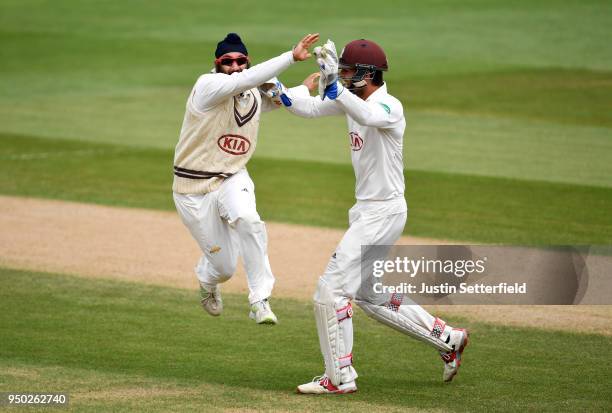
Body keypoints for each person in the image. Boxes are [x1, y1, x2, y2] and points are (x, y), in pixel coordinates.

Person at [275, 39, 469, 393]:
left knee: (330, 292)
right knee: (370, 294)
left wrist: (335, 86)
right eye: (342, 70)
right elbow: (309, 109)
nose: (344, 76)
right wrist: (278, 90)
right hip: (368, 211)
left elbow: (367, 115)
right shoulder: (351, 101)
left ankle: (340, 377)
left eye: (349, 71)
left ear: (366, 75)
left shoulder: (388, 106)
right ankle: (449, 339)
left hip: (383, 211)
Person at [172, 32, 319, 325]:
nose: (235, 66)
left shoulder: (251, 91)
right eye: (228, 61)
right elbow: (243, 81)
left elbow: (277, 101)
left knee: (249, 219)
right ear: (217, 64)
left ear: (247, 61)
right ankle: (207, 278)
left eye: (241, 61)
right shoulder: (208, 85)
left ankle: (259, 300)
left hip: (231, 175)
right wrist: (291, 57)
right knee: (224, 268)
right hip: (193, 188)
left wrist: (302, 89)